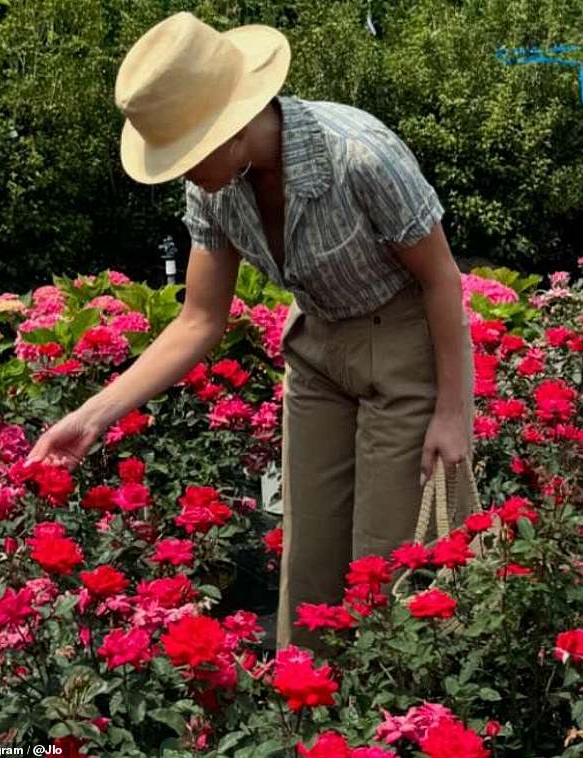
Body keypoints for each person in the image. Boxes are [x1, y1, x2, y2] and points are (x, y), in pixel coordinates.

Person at [27, 12, 475, 652]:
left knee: (388, 558)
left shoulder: (359, 154)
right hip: (317, 351)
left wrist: (453, 414)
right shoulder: (213, 189)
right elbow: (199, 319)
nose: (181, 172)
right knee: (310, 556)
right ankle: (309, 724)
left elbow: (442, 281)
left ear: (232, 125)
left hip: (403, 348)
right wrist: (95, 414)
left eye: (185, 152)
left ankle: (392, 732)